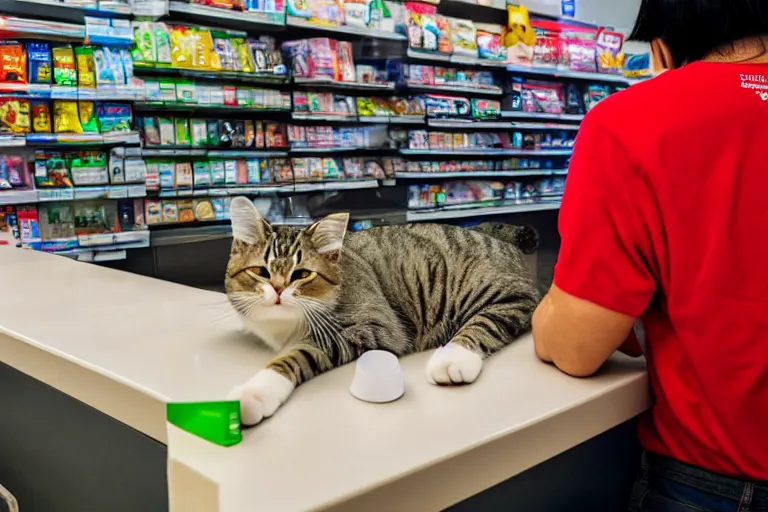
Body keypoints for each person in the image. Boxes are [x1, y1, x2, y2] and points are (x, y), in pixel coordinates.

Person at [531, 0, 768, 510]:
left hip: (712, 484)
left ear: (660, 43)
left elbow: (576, 349)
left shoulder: (631, 123)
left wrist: (548, 314)